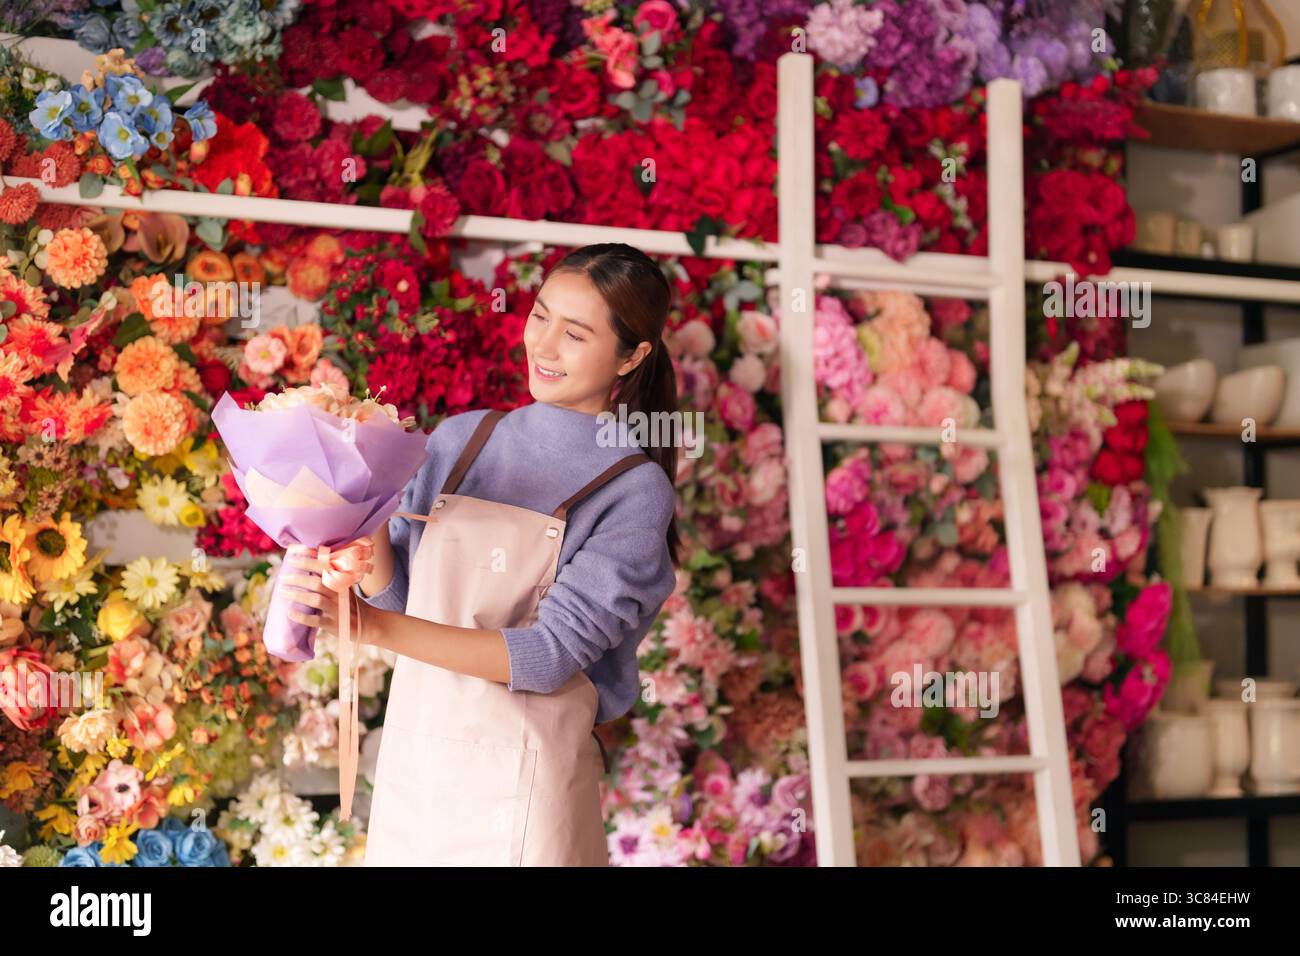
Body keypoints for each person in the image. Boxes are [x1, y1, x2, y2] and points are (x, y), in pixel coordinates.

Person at [279, 243, 681, 866]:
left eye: (574, 333)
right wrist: (365, 513)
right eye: (540, 316)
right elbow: (406, 597)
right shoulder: (463, 437)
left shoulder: (634, 490)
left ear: (632, 355)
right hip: (417, 763)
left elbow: (547, 658)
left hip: (525, 785)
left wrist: (372, 627)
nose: (544, 346)